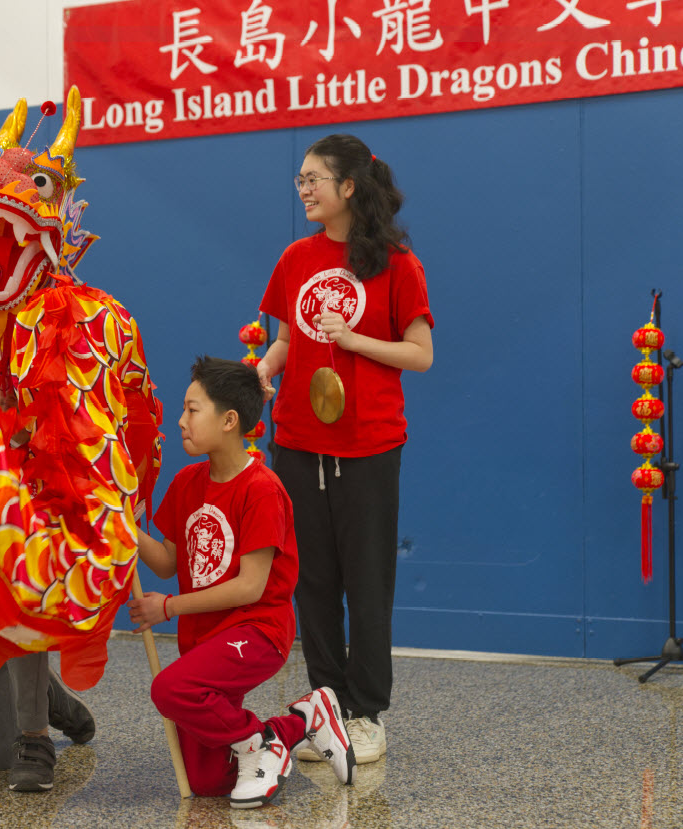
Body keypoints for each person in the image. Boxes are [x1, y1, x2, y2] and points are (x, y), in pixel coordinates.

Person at [256, 134, 434, 765]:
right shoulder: (296, 257)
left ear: (349, 186)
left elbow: (421, 354)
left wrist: (355, 341)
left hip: (367, 448)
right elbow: (286, 340)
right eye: (300, 180)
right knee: (312, 583)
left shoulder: (397, 263)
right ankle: (326, 707)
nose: (304, 190)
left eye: (315, 179)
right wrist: (265, 369)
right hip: (297, 443)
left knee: (367, 583)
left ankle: (366, 714)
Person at [128, 356, 355, 808]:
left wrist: (167, 608)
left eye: (192, 410)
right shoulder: (187, 482)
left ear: (229, 420)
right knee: (210, 780)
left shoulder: (262, 489)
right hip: (206, 639)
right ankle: (304, 720)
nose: (181, 421)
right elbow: (169, 563)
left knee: (171, 689)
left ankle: (258, 745)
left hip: (256, 632)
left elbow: (251, 587)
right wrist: (124, 528)